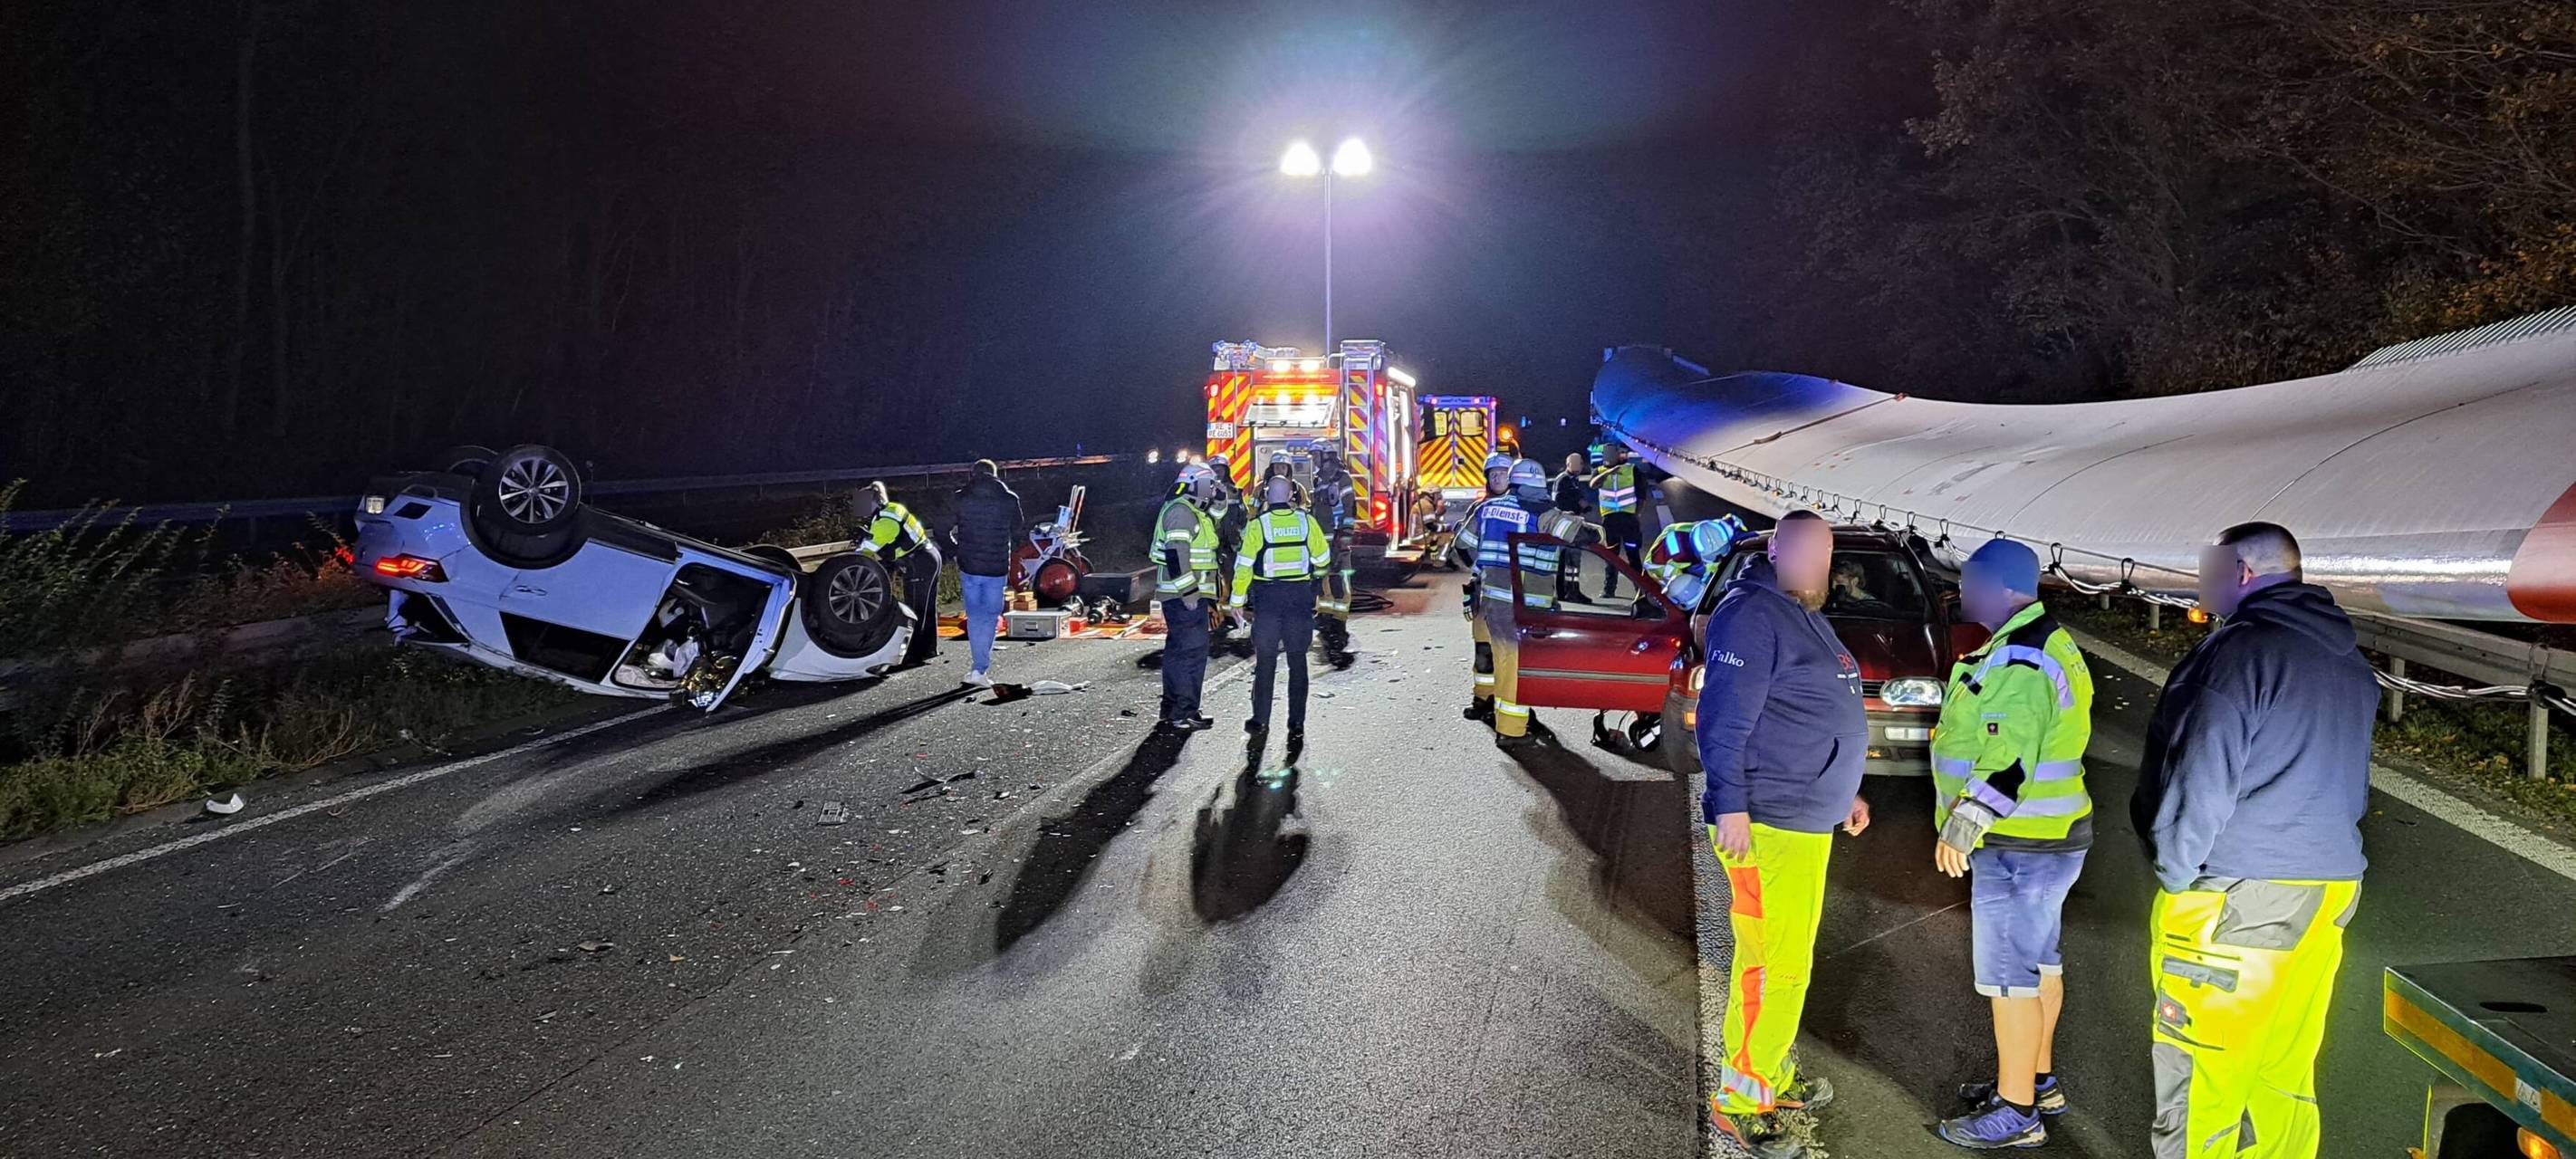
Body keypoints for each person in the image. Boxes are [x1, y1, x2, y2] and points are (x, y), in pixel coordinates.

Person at [2131, 522, 2376, 1159]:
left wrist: (2176, 869)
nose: (2201, 578)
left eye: (2208, 565)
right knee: (2281, 1069)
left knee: (2202, 1074)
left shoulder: (2240, 652)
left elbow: (2201, 768)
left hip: (2236, 896)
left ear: (2241, 571)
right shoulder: (2346, 658)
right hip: (2325, 891)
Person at [1696, 510, 1870, 1158]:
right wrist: (1730, 805)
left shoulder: (1797, 609)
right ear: (1775, 550)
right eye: (1805, 554)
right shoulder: (1752, 614)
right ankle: (1741, 1099)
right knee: (1774, 968)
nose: (1817, 567)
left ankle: (1770, 1071)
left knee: (1781, 964)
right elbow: (1723, 719)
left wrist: (1843, 788)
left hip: (1803, 814)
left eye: (1825, 556)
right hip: (1768, 820)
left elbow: (1808, 711)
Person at [1923, 539, 2095, 1150]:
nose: (1961, 592)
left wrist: (1964, 823)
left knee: (2009, 979)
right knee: (2040, 965)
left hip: (2018, 844)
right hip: (2050, 838)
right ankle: (2036, 1080)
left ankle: (2017, 1112)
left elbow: (2008, 759)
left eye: (1969, 581)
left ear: (2001, 587)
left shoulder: (2019, 660)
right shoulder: (2046, 643)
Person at [1474, 457, 1599, 749]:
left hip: (1492, 601)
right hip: (1528, 608)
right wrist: (1593, 530)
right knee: (1518, 666)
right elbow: (1582, 536)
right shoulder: (1544, 514)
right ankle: (1512, 730)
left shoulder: (1487, 508)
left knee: (1504, 662)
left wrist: (1486, 571)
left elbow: (1463, 546)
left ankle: (1507, 718)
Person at [1230, 474, 1331, 748]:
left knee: (1266, 662)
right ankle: (1296, 721)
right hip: (1299, 600)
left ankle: (1260, 719)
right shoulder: (1306, 522)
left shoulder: (1256, 526)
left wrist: (1236, 602)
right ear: (1291, 496)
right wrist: (1313, 580)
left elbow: (1244, 567)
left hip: (1268, 601)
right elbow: (1323, 559)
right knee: (1298, 662)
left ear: (1265, 497)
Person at [1152, 463, 1224, 733]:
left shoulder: (1191, 509)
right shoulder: (1182, 512)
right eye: (1210, 485)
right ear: (1195, 485)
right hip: (1184, 597)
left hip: (1182, 596)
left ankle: (1172, 709)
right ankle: (1184, 712)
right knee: (1191, 656)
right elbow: (1176, 554)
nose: (1213, 489)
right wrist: (1190, 593)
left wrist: (1219, 492)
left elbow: (1220, 511)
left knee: (1177, 653)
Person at [945, 460, 1025, 688]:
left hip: (969, 565)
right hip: (997, 567)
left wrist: (955, 550)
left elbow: (942, 528)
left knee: (975, 616)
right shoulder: (1009, 498)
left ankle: (978, 666)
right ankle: (980, 668)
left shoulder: (960, 498)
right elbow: (1018, 529)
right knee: (990, 617)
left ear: (973, 475)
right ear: (995, 475)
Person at [1453, 451, 1516, 724]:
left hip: (1512, 592)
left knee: (1507, 652)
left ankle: (1504, 701)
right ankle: (1483, 698)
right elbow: (1460, 544)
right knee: (1483, 649)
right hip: (1485, 589)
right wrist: (1476, 568)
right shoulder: (1479, 509)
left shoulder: (1520, 508)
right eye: (1494, 474)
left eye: (1503, 473)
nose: (1498, 477)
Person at [852, 482, 942, 666]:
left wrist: (858, 550)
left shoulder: (884, 521)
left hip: (919, 562)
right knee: (927, 608)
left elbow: (866, 552)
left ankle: (913, 656)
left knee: (915, 609)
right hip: (929, 556)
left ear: (873, 501)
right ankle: (929, 649)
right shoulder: (892, 509)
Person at [1311, 445, 1360, 658]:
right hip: (1321, 542)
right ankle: (1326, 619)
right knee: (1323, 583)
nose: (1313, 459)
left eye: (1315, 455)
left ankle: (1339, 624)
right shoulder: (1319, 479)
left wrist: (1346, 535)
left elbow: (1349, 508)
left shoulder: (1342, 478)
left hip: (1338, 541)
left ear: (1325, 456)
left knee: (1340, 584)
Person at [1591, 444, 1644, 598]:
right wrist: (1608, 472)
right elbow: (1593, 484)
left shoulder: (1631, 470)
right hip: (1610, 520)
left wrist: (1637, 515)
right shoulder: (1599, 471)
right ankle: (1609, 589)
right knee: (1611, 556)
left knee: (1633, 556)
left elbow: (1641, 495)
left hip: (1629, 520)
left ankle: (1640, 590)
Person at [1206, 454, 1246, 638]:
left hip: (1231, 542)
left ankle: (1229, 615)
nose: (1218, 472)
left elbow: (1242, 517)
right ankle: (1217, 614)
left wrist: (1241, 538)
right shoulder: (1205, 492)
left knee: (1230, 578)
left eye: (1221, 469)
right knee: (1213, 580)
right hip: (1213, 541)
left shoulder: (1235, 492)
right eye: (1215, 469)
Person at [1552, 452, 1594, 602]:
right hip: (1567, 525)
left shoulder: (1571, 480)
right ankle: (1569, 592)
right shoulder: (1564, 480)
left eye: (1581, 463)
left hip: (1570, 523)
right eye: (1577, 463)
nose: (1580, 466)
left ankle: (1568, 591)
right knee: (1569, 561)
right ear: (1568, 464)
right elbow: (1560, 501)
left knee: (1569, 562)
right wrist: (1578, 508)